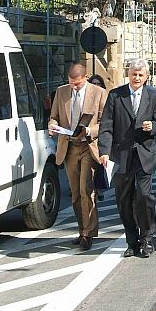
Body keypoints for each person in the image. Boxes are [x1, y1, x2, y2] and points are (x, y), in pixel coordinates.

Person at [98, 59, 156, 258]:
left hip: (144, 153)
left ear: (146, 77)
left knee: (144, 196)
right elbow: (106, 126)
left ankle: (147, 239)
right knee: (124, 199)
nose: (137, 78)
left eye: (141, 75)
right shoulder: (116, 95)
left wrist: (153, 127)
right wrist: (104, 151)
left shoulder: (153, 95)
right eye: (134, 74)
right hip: (122, 155)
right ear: (128, 74)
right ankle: (131, 241)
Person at [48, 63, 108, 251]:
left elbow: (106, 122)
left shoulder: (98, 93)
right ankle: (82, 230)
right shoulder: (61, 92)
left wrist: (89, 130)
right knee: (75, 193)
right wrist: (52, 125)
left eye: (78, 84)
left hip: (88, 146)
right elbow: (54, 116)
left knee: (86, 190)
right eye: (71, 83)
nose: (74, 87)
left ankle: (88, 234)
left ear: (86, 77)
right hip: (69, 147)